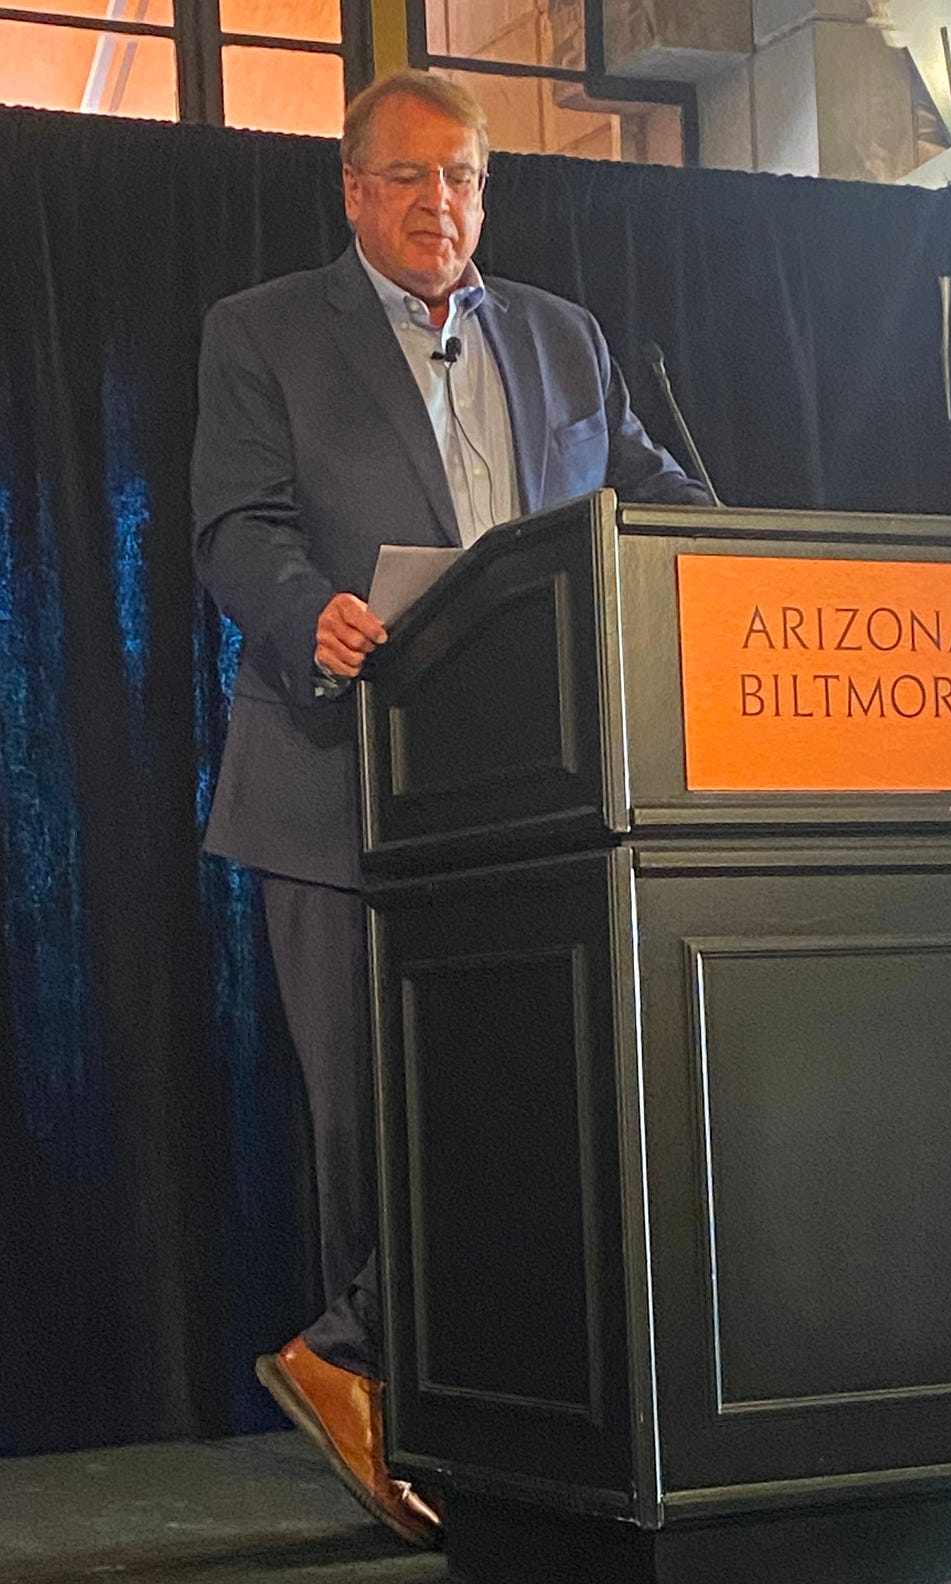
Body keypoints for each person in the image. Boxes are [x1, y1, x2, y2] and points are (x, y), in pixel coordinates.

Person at [192, 69, 708, 1550]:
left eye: (465, 179)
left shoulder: (561, 337)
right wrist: (307, 610)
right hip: (338, 777)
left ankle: (435, 1389)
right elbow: (234, 525)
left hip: (531, 792)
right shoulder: (265, 332)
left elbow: (646, 491)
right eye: (413, 178)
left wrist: (737, 556)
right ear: (355, 191)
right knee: (373, 1114)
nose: (443, 206)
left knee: (524, 1102)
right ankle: (371, 1375)